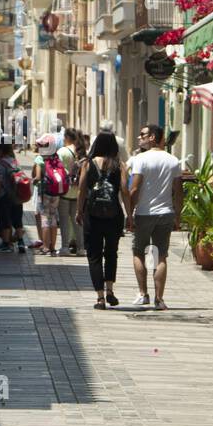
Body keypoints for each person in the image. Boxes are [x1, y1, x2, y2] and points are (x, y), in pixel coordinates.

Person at [127, 124, 184, 309]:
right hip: (166, 213)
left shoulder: (141, 159)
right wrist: (178, 216)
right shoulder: (173, 161)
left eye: (143, 134)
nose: (140, 137)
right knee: (161, 256)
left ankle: (143, 293)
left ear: (153, 137)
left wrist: (129, 212)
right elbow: (179, 191)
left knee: (138, 252)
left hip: (144, 213)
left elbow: (134, 189)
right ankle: (159, 299)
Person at [77, 131, 130, 308]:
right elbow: (124, 190)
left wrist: (79, 211)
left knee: (94, 256)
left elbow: (81, 190)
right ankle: (110, 291)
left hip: (92, 215)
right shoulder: (120, 165)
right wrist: (130, 214)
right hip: (114, 215)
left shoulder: (87, 164)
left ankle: (99, 298)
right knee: (111, 253)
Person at [0, 142, 26, 253]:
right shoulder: (15, 162)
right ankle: (21, 243)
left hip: (5, 196)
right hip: (17, 196)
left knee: (5, 220)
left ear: (1, 150)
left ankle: (6, 244)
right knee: (18, 220)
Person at [33, 133, 61, 254]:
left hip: (44, 192)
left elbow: (38, 177)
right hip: (56, 193)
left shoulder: (40, 159)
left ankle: (45, 246)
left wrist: (32, 181)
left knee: (45, 219)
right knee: (53, 218)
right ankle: (53, 247)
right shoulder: (56, 157)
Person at [56, 127, 80, 255]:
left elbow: (57, 170)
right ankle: (81, 248)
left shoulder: (62, 151)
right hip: (78, 191)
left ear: (66, 138)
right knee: (77, 221)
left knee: (64, 220)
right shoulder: (80, 152)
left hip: (64, 191)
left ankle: (65, 247)